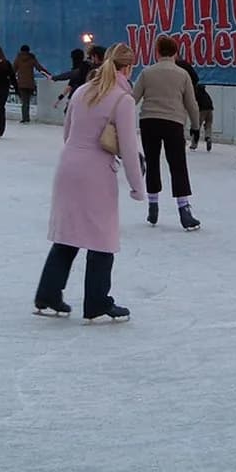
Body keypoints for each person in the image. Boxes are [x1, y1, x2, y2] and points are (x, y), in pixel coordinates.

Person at [33, 43, 145, 321]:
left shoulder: (82, 91)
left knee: (67, 236)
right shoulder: (123, 100)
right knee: (102, 239)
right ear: (128, 68)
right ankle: (97, 301)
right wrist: (137, 186)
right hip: (96, 173)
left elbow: (67, 132)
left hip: (68, 167)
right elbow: (130, 149)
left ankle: (48, 294)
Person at [131, 35, 201, 230]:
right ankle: (184, 210)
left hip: (149, 121)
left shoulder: (147, 73)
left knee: (152, 163)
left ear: (157, 51)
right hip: (174, 123)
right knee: (178, 164)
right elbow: (191, 104)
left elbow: (132, 98)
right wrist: (195, 126)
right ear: (175, 52)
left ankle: (153, 206)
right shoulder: (182, 74)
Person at [12, 44, 50, 124]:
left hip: (21, 83)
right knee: (27, 101)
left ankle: (25, 118)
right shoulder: (32, 58)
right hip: (30, 83)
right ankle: (27, 117)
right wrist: (48, 75)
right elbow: (39, 68)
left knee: (24, 102)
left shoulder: (18, 59)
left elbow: (13, 70)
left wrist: (9, 78)